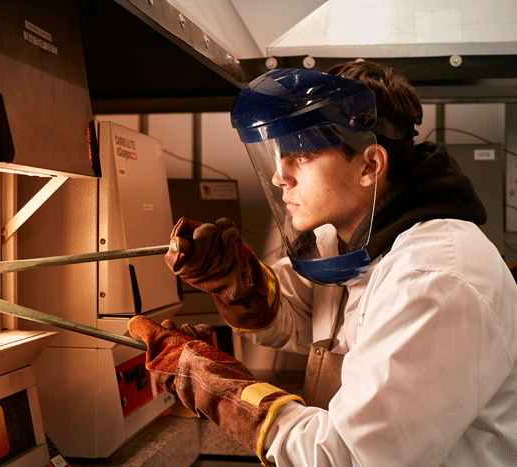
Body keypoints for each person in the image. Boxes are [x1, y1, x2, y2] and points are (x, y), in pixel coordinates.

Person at [127, 61, 517, 467]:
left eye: (302, 154)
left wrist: (221, 392)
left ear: (370, 165)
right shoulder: (343, 239)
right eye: (280, 154)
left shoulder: (435, 279)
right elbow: (299, 320)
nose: (280, 176)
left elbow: (348, 457)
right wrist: (240, 287)